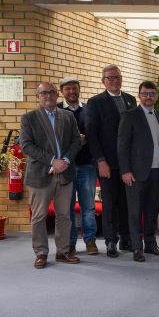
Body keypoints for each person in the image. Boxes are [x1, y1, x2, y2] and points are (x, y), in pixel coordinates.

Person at [20, 82, 81, 268]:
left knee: (64, 215)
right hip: (41, 174)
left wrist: (65, 161)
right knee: (39, 216)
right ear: (37, 96)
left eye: (52, 92)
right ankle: (41, 253)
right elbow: (26, 145)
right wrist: (53, 161)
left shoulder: (68, 116)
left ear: (57, 95)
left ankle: (63, 252)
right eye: (44, 93)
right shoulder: (29, 118)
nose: (48, 96)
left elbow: (76, 141)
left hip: (65, 174)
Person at [85, 65, 137, 258]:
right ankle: (110, 241)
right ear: (103, 81)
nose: (114, 81)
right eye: (110, 78)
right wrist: (100, 160)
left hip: (128, 164)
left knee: (126, 203)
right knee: (110, 203)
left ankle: (126, 238)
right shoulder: (95, 102)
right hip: (108, 163)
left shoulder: (130, 100)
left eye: (117, 77)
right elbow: (91, 134)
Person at [118, 81, 159, 262]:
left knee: (152, 210)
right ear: (139, 96)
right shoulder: (130, 116)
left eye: (152, 93)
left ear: (156, 96)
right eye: (145, 94)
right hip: (136, 173)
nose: (148, 97)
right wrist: (125, 170)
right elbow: (122, 146)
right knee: (135, 212)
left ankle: (151, 244)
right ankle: (137, 247)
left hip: (157, 171)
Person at [58, 77, 98, 256]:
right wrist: (74, 141)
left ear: (79, 89)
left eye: (74, 88)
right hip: (65, 166)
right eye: (68, 89)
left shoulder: (89, 110)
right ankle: (71, 243)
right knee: (68, 208)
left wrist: (86, 139)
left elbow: (96, 133)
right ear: (62, 91)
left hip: (86, 164)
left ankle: (90, 241)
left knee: (88, 206)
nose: (72, 92)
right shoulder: (57, 110)